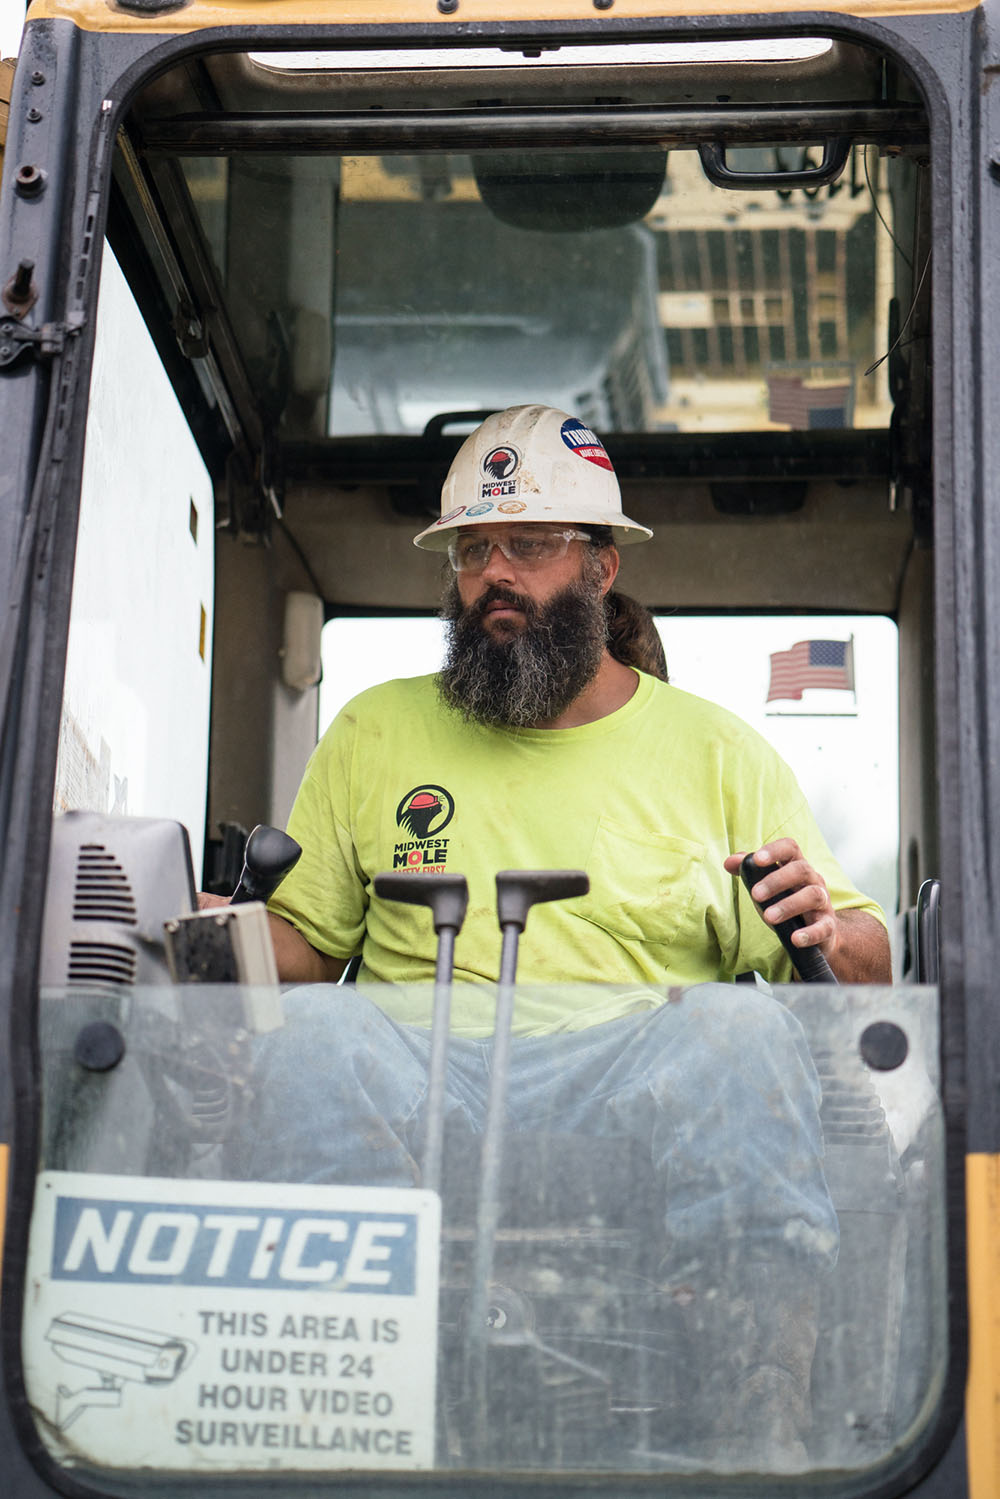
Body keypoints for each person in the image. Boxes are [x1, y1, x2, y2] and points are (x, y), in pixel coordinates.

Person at [220, 405, 891, 1467]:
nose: (496, 573)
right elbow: (306, 940)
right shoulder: (375, 728)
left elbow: (860, 956)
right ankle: (354, 1387)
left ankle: (754, 1411)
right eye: (473, 548)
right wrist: (219, 936)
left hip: (629, 1071)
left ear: (598, 566)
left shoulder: (717, 750)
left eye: (529, 545)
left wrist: (829, 924)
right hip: (423, 1064)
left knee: (738, 1030)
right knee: (308, 1036)